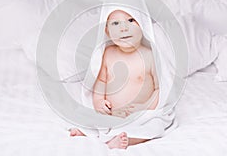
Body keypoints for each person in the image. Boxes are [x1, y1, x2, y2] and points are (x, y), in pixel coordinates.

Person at [69, 9, 160, 149]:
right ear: (107, 31)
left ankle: (127, 140)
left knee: (155, 127)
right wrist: (99, 101)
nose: (124, 28)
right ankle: (89, 131)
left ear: (142, 24)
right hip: (112, 113)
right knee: (89, 115)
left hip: (140, 114)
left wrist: (145, 107)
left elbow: (159, 89)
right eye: (116, 23)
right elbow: (101, 82)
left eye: (131, 20)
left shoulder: (149, 56)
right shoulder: (108, 54)